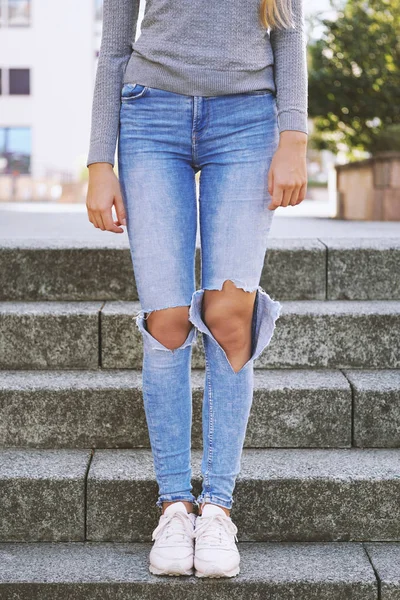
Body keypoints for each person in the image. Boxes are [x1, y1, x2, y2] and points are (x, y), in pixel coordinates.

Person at [86, 0, 308, 579]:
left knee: (231, 315)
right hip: (147, 118)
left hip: (249, 122)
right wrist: (97, 163)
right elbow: (114, 46)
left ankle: (218, 507)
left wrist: (295, 136)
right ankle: (175, 503)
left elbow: (288, 31)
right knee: (167, 322)